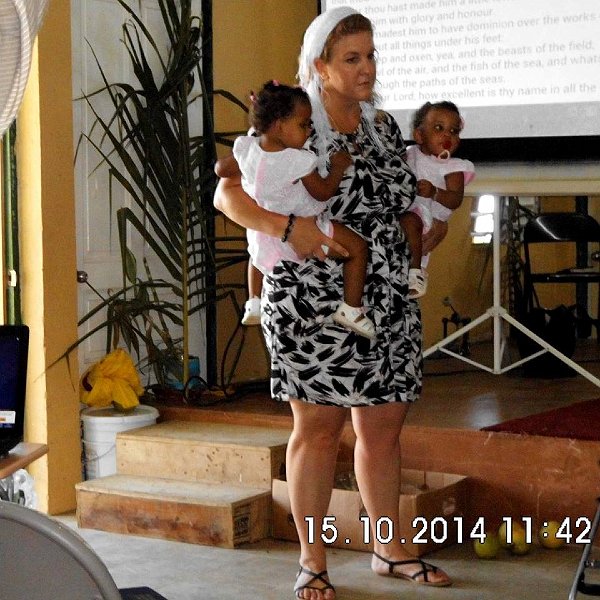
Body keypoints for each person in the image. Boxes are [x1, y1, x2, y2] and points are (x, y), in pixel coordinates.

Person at [214, 6, 452, 599]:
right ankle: (313, 559)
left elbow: (398, 197)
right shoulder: (294, 120)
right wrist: (286, 226)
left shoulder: (381, 125)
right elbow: (227, 196)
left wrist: (425, 227)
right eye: (352, 58)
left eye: (371, 55)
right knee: (317, 430)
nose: (367, 67)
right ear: (319, 67)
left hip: (387, 293)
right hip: (312, 297)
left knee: (383, 430)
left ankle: (389, 549)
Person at [215, 81, 375, 339]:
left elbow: (222, 170)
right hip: (306, 227)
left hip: (266, 231)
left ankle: (254, 300)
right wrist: (337, 168)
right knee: (357, 248)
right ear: (279, 125)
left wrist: (244, 163)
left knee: (256, 256)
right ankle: (352, 308)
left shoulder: (248, 149)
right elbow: (322, 192)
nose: (309, 130)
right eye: (303, 125)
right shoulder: (297, 160)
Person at [400, 101, 475, 298]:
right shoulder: (410, 154)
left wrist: (435, 193)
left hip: (429, 216)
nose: (447, 135)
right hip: (411, 208)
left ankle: (415, 273)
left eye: (454, 131)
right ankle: (411, 270)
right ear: (419, 135)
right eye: (439, 128)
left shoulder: (453, 167)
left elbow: (455, 199)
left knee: (411, 222)